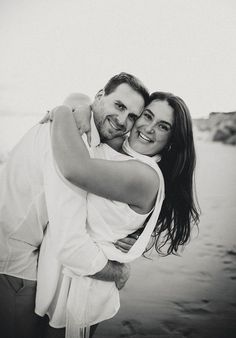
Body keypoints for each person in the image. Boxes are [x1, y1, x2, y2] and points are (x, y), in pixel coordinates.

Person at [35, 91, 200, 338]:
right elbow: (85, 101)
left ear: (172, 140)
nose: (148, 128)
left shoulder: (144, 176)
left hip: (84, 284)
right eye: (147, 116)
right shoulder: (123, 151)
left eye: (163, 126)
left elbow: (74, 168)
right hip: (64, 268)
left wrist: (61, 112)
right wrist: (79, 106)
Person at [0, 72, 149, 338]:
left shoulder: (81, 130)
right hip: (13, 261)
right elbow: (71, 244)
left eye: (133, 116)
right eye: (119, 105)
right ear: (100, 96)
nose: (123, 121)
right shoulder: (69, 140)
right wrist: (119, 271)